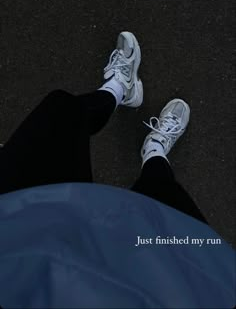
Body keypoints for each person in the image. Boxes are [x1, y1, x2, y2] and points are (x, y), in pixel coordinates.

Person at [0, 32, 235, 308]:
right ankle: (154, 152)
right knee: (164, 214)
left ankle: (119, 90)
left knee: (58, 117)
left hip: (19, 255)